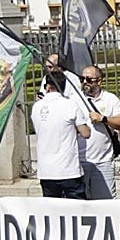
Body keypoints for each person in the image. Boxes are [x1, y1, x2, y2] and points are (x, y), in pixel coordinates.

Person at [31, 70, 90, 199]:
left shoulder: (36, 107)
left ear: (47, 87)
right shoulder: (70, 105)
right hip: (69, 170)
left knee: (52, 212)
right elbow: (86, 133)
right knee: (76, 210)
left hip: (46, 170)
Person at [79, 64, 120, 199]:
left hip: (103, 161)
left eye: (89, 79)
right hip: (80, 161)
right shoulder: (75, 99)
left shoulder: (110, 99)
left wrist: (104, 119)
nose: (84, 82)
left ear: (99, 81)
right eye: (82, 79)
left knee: (105, 203)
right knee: (79, 205)